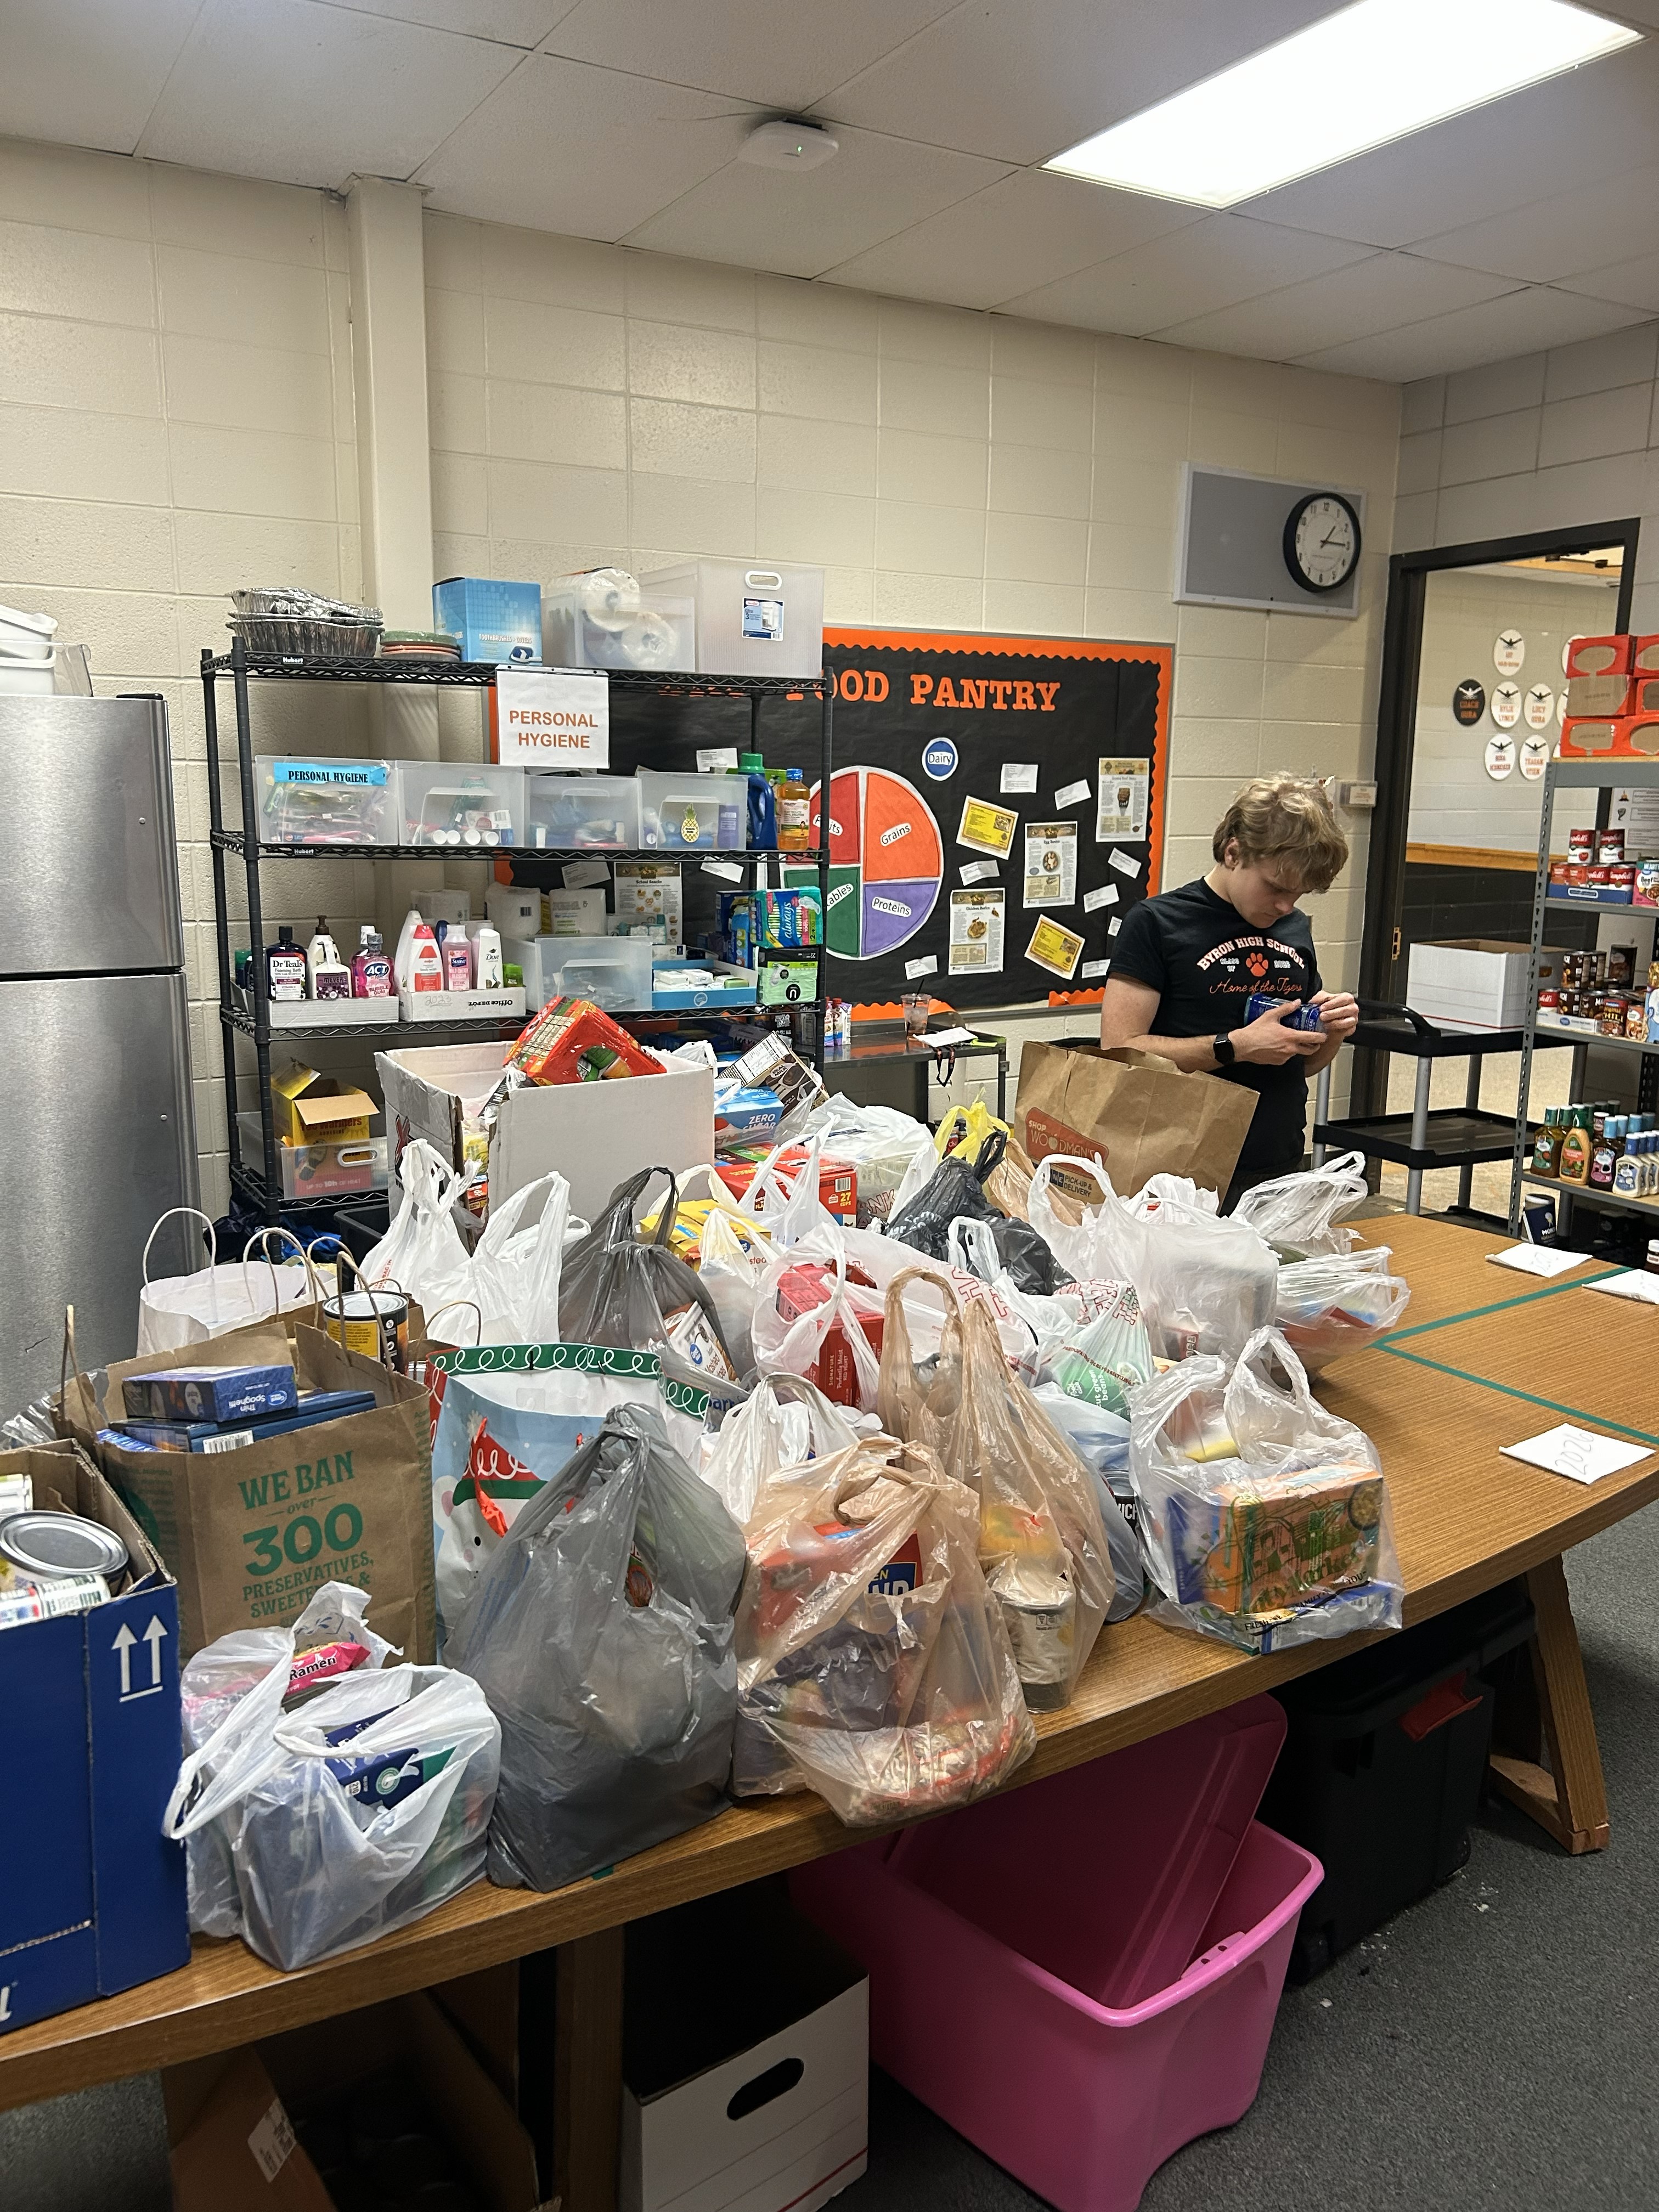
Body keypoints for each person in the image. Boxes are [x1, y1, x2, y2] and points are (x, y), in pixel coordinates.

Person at [1098, 774, 1359, 1211]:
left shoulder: (1293, 928)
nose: (1285, 906)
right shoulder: (1157, 923)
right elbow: (1120, 1051)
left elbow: (1301, 1064)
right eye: (1276, 888)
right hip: (1179, 1172)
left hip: (1276, 1161)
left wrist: (1331, 1031)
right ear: (1234, 853)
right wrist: (1233, 1047)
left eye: (1299, 894)